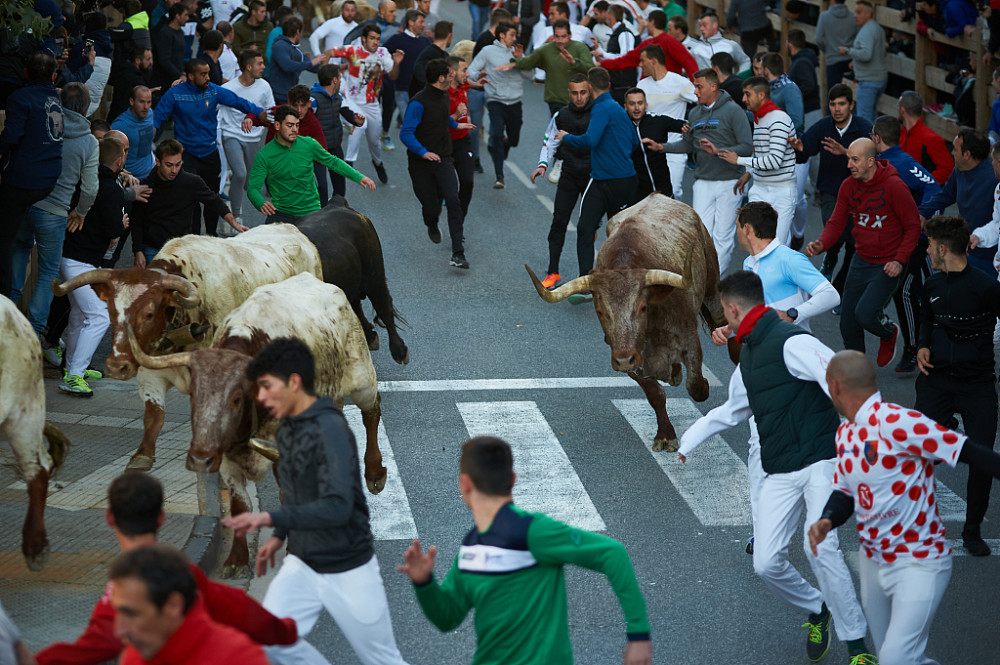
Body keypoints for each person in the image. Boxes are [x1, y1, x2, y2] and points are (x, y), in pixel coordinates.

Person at [678, 270, 873, 665]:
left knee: (821, 547)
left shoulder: (793, 342)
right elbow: (732, 411)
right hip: (781, 471)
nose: (723, 321)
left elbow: (839, 379)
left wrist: (865, 435)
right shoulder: (748, 358)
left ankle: (857, 647)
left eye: (724, 313)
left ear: (733, 309)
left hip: (821, 461)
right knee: (766, 563)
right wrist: (688, 442)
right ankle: (818, 607)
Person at [222, 337, 413, 665]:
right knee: (269, 640)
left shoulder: (330, 430)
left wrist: (269, 520)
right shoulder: (287, 429)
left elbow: (338, 506)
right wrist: (279, 537)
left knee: (382, 660)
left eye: (268, 387)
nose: (261, 397)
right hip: (304, 564)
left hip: (348, 566)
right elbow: (297, 495)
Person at [810, 350, 1000, 663]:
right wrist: (827, 519)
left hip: (919, 561)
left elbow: (970, 451)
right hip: (873, 563)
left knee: (894, 658)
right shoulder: (845, 433)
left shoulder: (900, 423)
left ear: (836, 386)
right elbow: (845, 491)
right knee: (901, 659)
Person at [398, 435, 653, 665]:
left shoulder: (484, 546)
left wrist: (425, 585)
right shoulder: (477, 546)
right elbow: (448, 618)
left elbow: (613, 554)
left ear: (464, 484)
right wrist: (425, 583)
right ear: (513, 479)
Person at [36, 472, 299, 664]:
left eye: (129, 614)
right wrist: (284, 631)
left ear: (110, 518)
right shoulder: (185, 573)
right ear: (162, 518)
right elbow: (236, 607)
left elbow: (98, 644)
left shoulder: (123, 591)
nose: (122, 628)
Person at [915, 215, 1000, 556]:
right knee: (916, 453)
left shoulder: (986, 286)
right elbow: (926, 318)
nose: (927, 250)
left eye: (930, 245)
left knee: (982, 460)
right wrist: (922, 345)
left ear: (943, 249)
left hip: (977, 386)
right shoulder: (933, 284)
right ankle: (917, 524)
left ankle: (972, 531)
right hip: (935, 382)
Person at [805, 138, 921, 365]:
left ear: (870, 161)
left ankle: (889, 333)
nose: (849, 164)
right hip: (861, 260)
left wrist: (899, 260)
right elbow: (836, 222)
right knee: (848, 323)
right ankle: (859, 371)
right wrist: (822, 244)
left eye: (855, 160)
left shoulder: (895, 187)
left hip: (889, 263)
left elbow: (913, 227)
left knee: (865, 314)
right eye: (849, 159)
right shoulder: (848, 186)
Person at [10, 83, 97, 352]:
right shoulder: (89, 142)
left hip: (26, 201)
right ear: (86, 108)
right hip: (55, 212)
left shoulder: (43, 126)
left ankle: (7, 313)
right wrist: (80, 212)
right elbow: (90, 188)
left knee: (19, 250)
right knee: (48, 272)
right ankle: (34, 333)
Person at [647, 68, 752, 275]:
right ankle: (704, 280)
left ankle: (715, 281)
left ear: (713, 87)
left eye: (699, 87)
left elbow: (747, 146)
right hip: (703, 181)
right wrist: (662, 147)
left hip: (730, 181)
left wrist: (718, 151)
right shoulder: (694, 114)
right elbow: (688, 145)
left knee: (722, 237)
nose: (695, 91)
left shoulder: (733, 111)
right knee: (701, 235)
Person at [153, 58, 267, 237]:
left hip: (210, 154)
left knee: (212, 199)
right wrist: (148, 140)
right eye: (203, 74)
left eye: (208, 73)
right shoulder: (175, 93)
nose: (208, 77)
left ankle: (212, 236)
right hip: (187, 155)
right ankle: (194, 238)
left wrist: (258, 114)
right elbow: (157, 117)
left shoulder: (214, 90)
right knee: (191, 200)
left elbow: (240, 102)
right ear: (191, 76)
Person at [109, 546, 273, 665]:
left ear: (173, 605)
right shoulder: (135, 655)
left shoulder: (241, 658)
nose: (119, 631)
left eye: (131, 614)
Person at [557, 67, 639, 298]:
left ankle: (595, 284)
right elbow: (634, 142)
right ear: (609, 85)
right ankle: (601, 283)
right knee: (614, 234)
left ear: (590, 87)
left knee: (589, 230)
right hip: (618, 180)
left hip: (610, 181)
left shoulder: (601, 108)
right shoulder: (618, 108)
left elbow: (590, 139)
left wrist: (566, 137)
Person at [56, 138, 128, 396]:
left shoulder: (85, 180)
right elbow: (113, 228)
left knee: (78, 315)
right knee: (99, 315)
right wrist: (122, 224)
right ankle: (74, 375)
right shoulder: (112, 189)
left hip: (68, 257)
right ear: (119, 160)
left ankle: (73, 367)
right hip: (81, 262)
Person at [870, 115, 940, 373]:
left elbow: (933, 186)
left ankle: (913, 347)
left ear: (877, 137)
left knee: (908, 291)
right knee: (922, 289)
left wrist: (921, 215)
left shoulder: (903, 163)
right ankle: (926, 341)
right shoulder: (881, 161)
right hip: (899, 241)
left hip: (917, 241)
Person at [788, 83, 872, 296]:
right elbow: (805, 151)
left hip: (860, 195)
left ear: (851, 105)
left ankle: (842, 290)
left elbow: (874, 160)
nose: (837, 109)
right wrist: (798, 148)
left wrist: (845, 152)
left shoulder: (864, 128)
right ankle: (830, 259)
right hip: (830, 192)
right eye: (833, 104)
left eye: (841, 104)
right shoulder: (823, 126)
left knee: (855, 243)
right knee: (835, 234)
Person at [400, 59, 475, 269]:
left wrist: (456, 124)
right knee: (431, 206)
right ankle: (431, 223)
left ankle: (458, 253)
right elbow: (406, 133)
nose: (453, 76)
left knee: (453, 199)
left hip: (444, 158)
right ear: (441, 78)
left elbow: (443, 117)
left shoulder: (444, 95)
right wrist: (423, 152)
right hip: (420, 163)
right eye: (450, 74)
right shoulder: (418, 103)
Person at [0, 51, 63, 302]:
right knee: (20, 236)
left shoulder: (20, 98)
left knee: (4, 240)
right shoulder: (55, 98)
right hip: (49, 180)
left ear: (26, 73)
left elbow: (11, 136)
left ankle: (4, 297)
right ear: (54, 76)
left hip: (23, 180)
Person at [248, 106, 374, 224]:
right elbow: (253, 188)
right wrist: (261, 203)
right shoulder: (264, 155)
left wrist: (359, 177)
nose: (294, 129)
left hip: (311, 212)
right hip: (281, 213)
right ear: (277, 125)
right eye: (289, 125)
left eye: (297, 125)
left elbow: (333, 162)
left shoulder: (309, 144)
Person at [131, 140, 245, 268]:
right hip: (153, 248)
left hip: (182, 249)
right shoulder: (145, 187)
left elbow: (215, 201)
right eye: (169, 165)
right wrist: (138, 251)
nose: (174, 170)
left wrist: (233, 222)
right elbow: (136, 221)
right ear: (158, 162)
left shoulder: (191, 182)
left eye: (178, 164)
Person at [530, 74, 592, 289]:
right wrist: (542, 165)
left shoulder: (598, 113)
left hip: (594, 177)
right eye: (574, 93)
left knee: (586, 227)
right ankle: (553, 272)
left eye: (583, 92)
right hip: (570, 174)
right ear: (569, 93)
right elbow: (549, 143)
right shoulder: (561, 115)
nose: (579, 97)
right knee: (558, 223)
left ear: (590, 91)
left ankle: (585, 278)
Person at [721, 77, 797, 245]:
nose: (743, 99)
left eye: (747, 94)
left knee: (775, 246)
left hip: (781, 192)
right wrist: (749, 173)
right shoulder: (760, 118)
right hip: (760, 188)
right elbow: (762, 153)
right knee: (756, 244)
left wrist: (739, 160)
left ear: (761, 95)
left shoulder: (778, 119)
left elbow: (775, 161)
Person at [328, 24, 405, 185]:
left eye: (378, 39)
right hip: (351, 101)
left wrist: (397, 63)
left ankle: (377, 162)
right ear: (364, 39)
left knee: (374, 142)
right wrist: (327, 70)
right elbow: (329, 52)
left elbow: (393, 76)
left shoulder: (383, 53)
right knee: (359, 124)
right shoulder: (353, 50)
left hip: (372, 104)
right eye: (372, 38)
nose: (375, 42)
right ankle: (348, 164)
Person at [918, 129, 999, 277]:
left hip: (990, 257)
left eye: (955, 149)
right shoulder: (959, 171)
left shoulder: (994, 177)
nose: (952, 152)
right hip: (966, 249)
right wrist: (923, 211)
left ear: (967, 154)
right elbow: (945, 195)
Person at [219, 49, 274, 228]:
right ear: (249, 67)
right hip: (231, 134)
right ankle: (235, 217)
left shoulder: (264, 86)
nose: (263, 67)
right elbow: (215, 111)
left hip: (254, 138)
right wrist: (216, 136)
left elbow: (271, 112)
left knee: (250, 183)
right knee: (240, 173)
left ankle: (236, 179)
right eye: (260, 64)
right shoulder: (228, 89)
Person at [635, 44, 695, 199]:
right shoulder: (641, 85)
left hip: (674, 150)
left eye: (643, 60)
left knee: (673, 192)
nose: (640, 64)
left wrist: (693, 125)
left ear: (654, 60)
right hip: (649, 152)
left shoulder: (680, 82)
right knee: (650, 196)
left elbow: (703, 101)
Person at [469, 22, 524, 189]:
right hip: (495, 101)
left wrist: (520, 60)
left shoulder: (517, 52)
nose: (515, 38)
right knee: (497, 134)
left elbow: (530, 74)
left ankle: (506, 146)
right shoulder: (487, 51)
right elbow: (470, 71)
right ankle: (500, 176)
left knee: (514, 140)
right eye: (512, 35)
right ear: (502, 35)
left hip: (515, 102)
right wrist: (479, 75)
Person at [510, 19, 594, 116]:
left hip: (579, 99)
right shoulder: (545, 49)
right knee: (559, 125)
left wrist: (574, 62)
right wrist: (515, 61)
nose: (560, 40)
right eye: (557, 36)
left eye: (563, 36)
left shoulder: (580, 48)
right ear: (553, 36)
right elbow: (529, 62)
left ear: (570, 35)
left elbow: (590, 70)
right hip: (555, 100)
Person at [312, 64, 366, 200]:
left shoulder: (338, 97)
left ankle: (338, 207)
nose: (341, 80)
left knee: (340, 186)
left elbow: (346, 112)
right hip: (317, 151)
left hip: (335, 146)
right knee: (321, 187)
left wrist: (355, 120)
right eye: (340, 77)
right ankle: (322, 211)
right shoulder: (313, 101)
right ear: (334, 80)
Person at [623, 87, 686, 200]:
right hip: (637, 193)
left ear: (646, 105)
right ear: (625, 107)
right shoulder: (621, 127)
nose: (636, 108)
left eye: (640, 103)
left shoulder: (658, 121)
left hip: (663, 190)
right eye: (632, 104)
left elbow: (687, 126)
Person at [600, 10, 699, 80]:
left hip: (668, 91)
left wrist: (602, 64)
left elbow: (689, 63)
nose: (645, 24)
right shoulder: (657, 42)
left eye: (647, 21)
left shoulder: (668, 42)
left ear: (652, 22)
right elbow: (690, 63)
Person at [382, 9, 431, 149]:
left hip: (419, 89)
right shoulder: (398, 39)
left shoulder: (425, 42)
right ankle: (385, 135)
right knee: (405, 119)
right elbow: (382, 53)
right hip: (400, 87)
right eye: (421, 22)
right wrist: (392, 63)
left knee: (407, 118)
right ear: (411, 22)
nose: (424, 25)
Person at [840, 1, 886, 123]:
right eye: (855, 12)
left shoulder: (867, 31)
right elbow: (875, 53)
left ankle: (868, 137)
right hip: (878, 79)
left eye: (859, 12)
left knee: (865, 119)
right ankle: (874, 136)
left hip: (869, 81)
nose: (855, 15)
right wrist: (855, 61)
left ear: (868, 14)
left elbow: (866, 54)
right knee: (872, 115)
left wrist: (848, 51)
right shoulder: (877, 28)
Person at [898, 91, 954, 185]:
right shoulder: (899, 134)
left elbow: (948, 170)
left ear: (902, 110)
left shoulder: (931, 139)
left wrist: (922, 181)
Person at [270, 17, 329, 104]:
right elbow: (287, 65)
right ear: (298, 31)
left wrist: (330, 66)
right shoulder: (280, 46)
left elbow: (314, 68)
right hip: (278, 96)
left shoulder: (297, 51)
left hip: (289, 95)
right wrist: (311, 63)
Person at [446, 55, 476, 219]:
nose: (467, 74)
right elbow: (435, 122)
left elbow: (469, 83)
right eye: (464, 70)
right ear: (452, 72)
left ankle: (458, 220)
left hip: (463, 141)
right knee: (447, 188)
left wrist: (478, 84)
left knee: (468, 182)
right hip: (443, 144)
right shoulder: (442, 93)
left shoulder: (463, 85)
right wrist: (456, 116)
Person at [111, 85, 156, 180]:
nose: (146, 107)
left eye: (148, 102)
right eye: (141, 102)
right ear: (132, 101)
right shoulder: (120, 125)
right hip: (131, 178)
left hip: (150, 172)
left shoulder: (150, 113)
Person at [815, 0, 858, 92]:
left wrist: (826, 50)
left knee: (833, 93)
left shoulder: (824, 16)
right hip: (850, 60)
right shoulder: (853, 17)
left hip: (833, 60)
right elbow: (858, 38)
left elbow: (818, 39)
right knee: (851, 92)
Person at [600, 5, 638, 103]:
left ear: (609, 17)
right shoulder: (616, 33)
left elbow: (627, 58)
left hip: (624, 86)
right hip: (615, 85)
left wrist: (604, 55)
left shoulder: (624, 33)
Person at [696, 11, 751, 76]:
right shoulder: (695, 48)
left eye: (704, 25)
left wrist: (739, 77)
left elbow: (745, 61)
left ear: (715, 25)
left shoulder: (731, 45)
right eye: (700, 26)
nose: (701, 29)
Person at [108, 44, 152, 122]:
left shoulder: (126, 72)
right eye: (148, 59)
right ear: (137, 61)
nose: (151, 62)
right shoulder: (133, 79)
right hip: (122, 122)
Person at [151, 3, 187, 93]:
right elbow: (164, 59)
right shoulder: (165, 33)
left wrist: (182, 72)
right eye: (185, 15)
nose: (187, 18)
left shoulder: (180, 32)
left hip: (177, 78)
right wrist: (179, 74)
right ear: (177, 16)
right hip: (165, 80)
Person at [411, 20, 452, 94]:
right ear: (449, 35)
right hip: (423, 97)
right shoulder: (429, 53)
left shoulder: (441, 55)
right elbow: (418, 71)